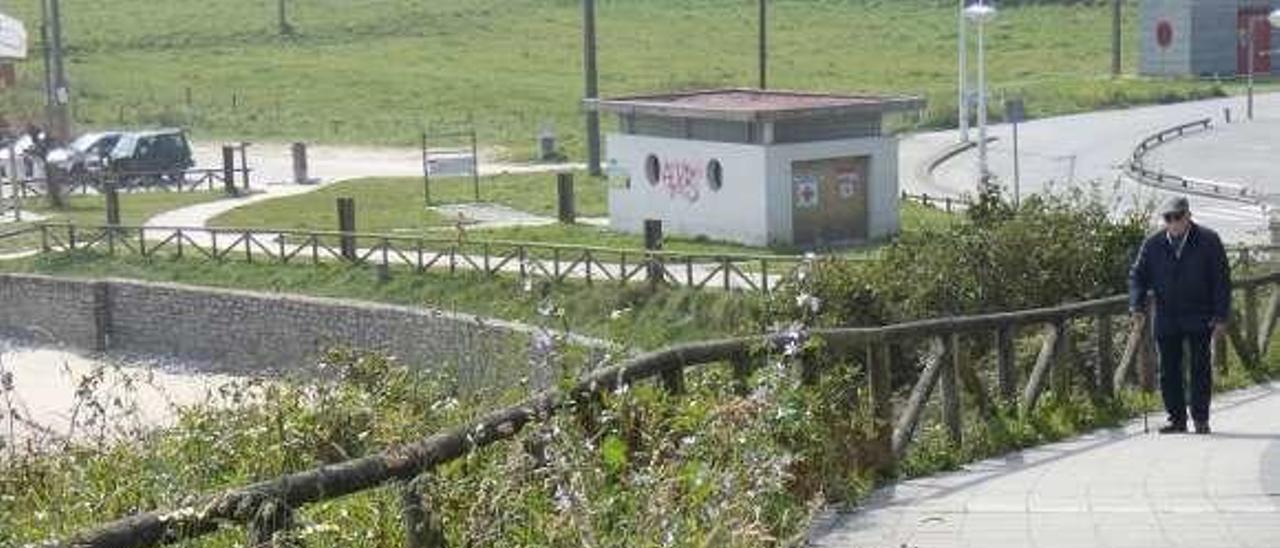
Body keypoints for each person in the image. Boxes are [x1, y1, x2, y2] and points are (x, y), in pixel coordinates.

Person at [1128, 196, 1231, 434]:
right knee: (1168, 369)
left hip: (1199, 313)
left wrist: (1221, 316)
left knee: (1199, 368)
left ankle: (1201, 418)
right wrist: (1136, 305)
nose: (1173, 222)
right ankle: (1176, 418)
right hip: (1166, 314)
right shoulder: (1152, 244)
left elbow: (1221, 281)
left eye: (1177, 217)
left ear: (1188, 216)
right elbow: (1137, 276)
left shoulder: (1208, 240)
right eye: (1168, 218)